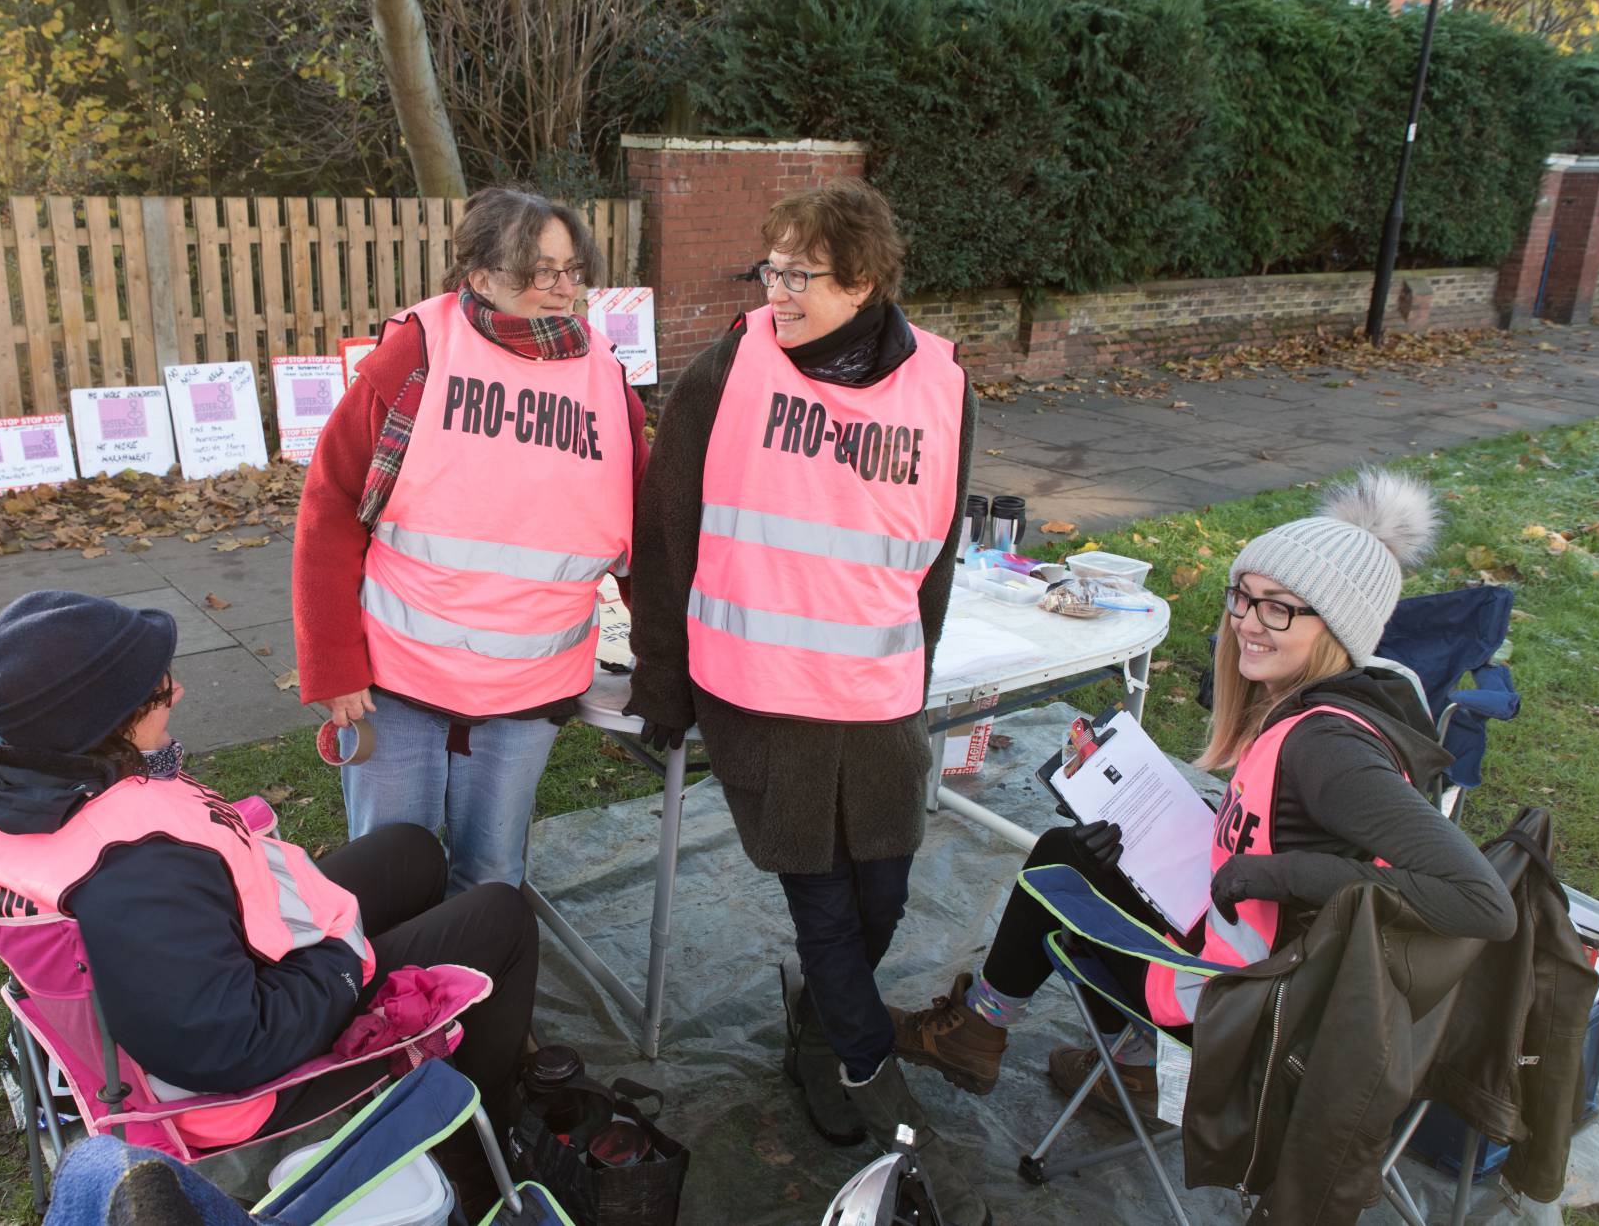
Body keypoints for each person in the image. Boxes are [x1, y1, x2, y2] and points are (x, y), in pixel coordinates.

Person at [890, 469, 1516, 1118]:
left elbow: (1482, 902)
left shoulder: (1328, 749)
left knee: (1059, 869)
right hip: (1275, 968)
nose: (1246, 622)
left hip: (1244, 1007)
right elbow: (1311, 832)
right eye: (1243, 597)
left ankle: (988, 1032)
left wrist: (1276, 873)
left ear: (1337, 627)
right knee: (1083, 848)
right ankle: (1129, 1068)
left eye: (1279, 607)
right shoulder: (1353, 702)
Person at [624, 179, 988, 1223]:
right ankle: (868, 1068)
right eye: (770, 268)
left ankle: (818, 1033)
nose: (774, 290)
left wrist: (913, 670)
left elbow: (934, 555)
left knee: (884, 892)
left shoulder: (941, 388)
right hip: (760, 691)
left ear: (863, 282)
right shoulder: (728, 369)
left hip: (875, 694)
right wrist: (662, 679)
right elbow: (664, 533)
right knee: (822, 898)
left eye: (800, 274)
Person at [0, 591, 540, 1171]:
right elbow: (232, 1049)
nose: (178, 691)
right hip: (239, 1081)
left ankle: (433, 1046)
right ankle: (484, 1133)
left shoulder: (8, 799)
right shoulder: (135, 872)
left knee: (412, 850)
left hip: (210, 974)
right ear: (105, 724)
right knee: (502, 917)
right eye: (158, 690)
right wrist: (341, 957)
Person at [292, 186, 648, 892]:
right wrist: (333, 665)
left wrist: (662, 657)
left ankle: (478, 970)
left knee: (489, 878)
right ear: (481, 276)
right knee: (389, 879)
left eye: (572, 269)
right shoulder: (418, 354)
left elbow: (644, 528)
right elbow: (330, 509)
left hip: (528, 692)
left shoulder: (606, 378)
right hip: (396, 684)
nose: (564, 289)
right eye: (540, 271)